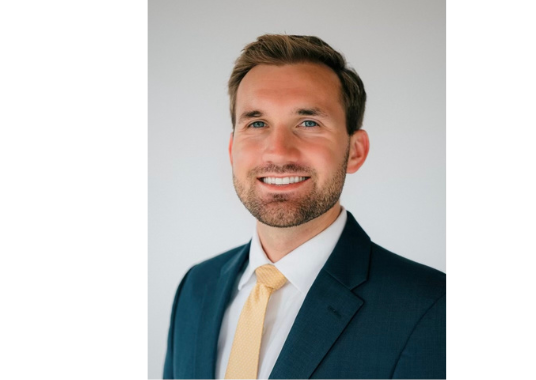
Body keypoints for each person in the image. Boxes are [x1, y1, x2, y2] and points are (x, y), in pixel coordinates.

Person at [163, 34, 445, 379]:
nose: (278, 151)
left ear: (355, 151)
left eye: (309, 123)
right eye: (257, 123)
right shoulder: (196, 286)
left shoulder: (431, 307)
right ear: (232, 148)